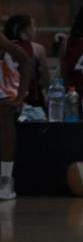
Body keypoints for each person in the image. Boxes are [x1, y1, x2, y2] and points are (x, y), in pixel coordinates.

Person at [0, 31, 33, 201]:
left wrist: (20, 97)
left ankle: (5, 179)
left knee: (4, 113)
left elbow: (25, 60)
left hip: (5, 82)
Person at [3, 15, 50, 109]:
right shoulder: (37, 49)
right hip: (31, 100)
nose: (35, 30)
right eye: (33, 26)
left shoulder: (4, 48)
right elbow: (45, 78)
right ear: (24, 30)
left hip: (7, 99)